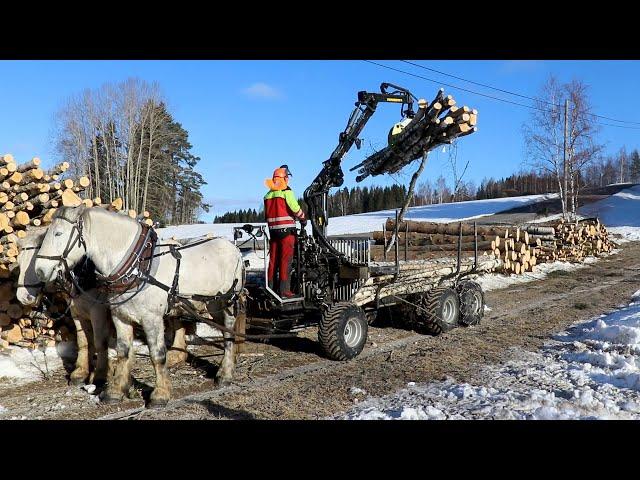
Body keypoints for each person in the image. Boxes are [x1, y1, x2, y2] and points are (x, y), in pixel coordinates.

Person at [264, 164, 306, 298]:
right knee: (285, 260)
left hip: (273, 232)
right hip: (287, 232)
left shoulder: (268, 195)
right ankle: (284, 290)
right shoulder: (286, 192)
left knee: (273, 260)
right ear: (284, 179)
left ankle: (270, 288)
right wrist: (303, 218)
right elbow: (294, 207)